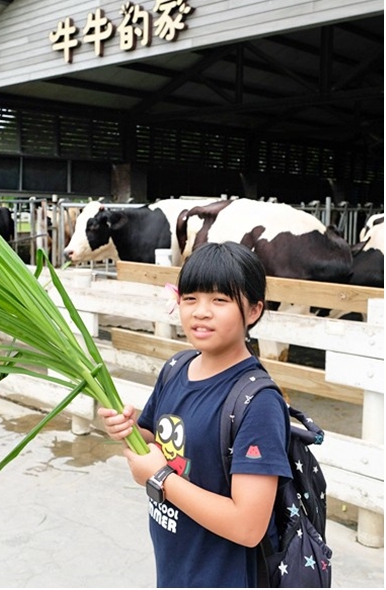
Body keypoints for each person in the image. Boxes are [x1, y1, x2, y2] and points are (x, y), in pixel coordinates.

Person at [99, 242, 292, 587]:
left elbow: (248, 527)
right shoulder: (176, 368)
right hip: (176, 568)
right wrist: (124, 427)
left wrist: (160, 478)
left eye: (220, 300)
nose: (200, 312)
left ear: (253, 311)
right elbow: (153, 437)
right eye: (190, 298)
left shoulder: (257, 402)